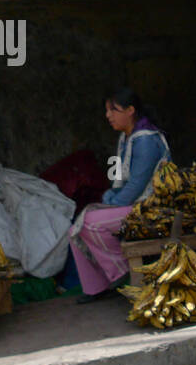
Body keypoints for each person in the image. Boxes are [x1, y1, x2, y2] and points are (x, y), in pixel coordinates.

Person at [68, 88, 170, 304]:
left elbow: (135, 186)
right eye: (107, 110)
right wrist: (109, 198)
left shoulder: (145, 140)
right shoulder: (126, 139)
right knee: (75, 228)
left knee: (90, 223)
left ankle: (123, 273)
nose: (108, 115)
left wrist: (111, 203)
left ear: (131, 110)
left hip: (151, 207)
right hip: (130, 204)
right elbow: (118, 179)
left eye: (113, 110)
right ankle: (96, 287)